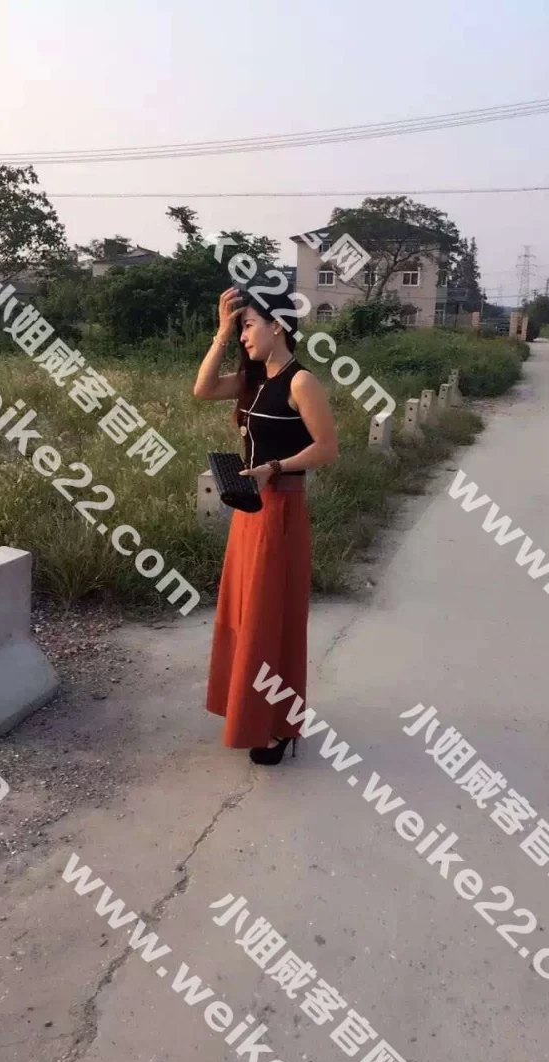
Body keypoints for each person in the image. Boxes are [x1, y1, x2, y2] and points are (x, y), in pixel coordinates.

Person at [193, 284, 339, 765]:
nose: (244, 337)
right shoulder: (253, 380)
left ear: (278, 326)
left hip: (280, 511)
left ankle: (277, 725)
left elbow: (327, 449)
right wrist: (221, 331)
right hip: (249, 510)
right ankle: (248, 711)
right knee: (243, 616)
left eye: (249, 326)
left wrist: (274, 468)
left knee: (270, 619)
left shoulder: (301, 382)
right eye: (240, 330)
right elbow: (203, 389)